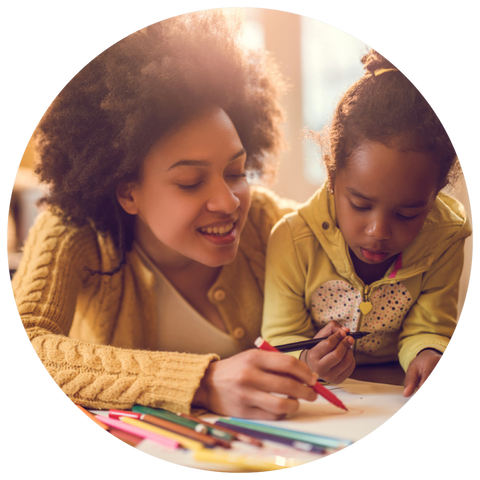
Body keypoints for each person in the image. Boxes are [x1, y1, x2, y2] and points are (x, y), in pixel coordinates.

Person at [10, 10, 334, 421]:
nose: (229, 201)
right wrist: (203, 383)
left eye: (236, 172)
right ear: (129, 191)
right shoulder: (78, 235)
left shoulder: (274, 226)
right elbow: (32, 341)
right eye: (190, 182)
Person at [261, 47, 471, 398]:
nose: (378, 232)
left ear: (435, 195)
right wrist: (309, 360)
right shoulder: (292, 240)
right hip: (321, 398)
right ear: (332, 177)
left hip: (392, 392)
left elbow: (430, 327)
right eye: (359, 204)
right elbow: (281, 339)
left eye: (407, 214)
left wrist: (428, 353)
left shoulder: (445, 240)